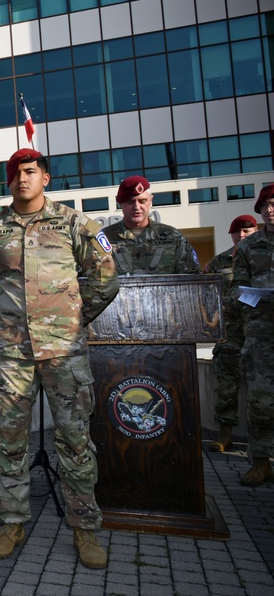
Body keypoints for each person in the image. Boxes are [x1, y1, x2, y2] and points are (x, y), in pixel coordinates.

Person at [0, 148, 118, 570]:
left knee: (74, 440)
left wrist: (73, 318)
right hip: (12, 353)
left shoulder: (75, 223)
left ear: (46, 178)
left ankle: (85, 528)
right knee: (10, 442)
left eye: (30, 171)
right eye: (14, 173)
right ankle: (12, 522)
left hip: (64, 352)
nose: (21, 178)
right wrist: (1, 312)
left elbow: (107, 276)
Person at [205, 214, 259, 452]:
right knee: (226, 386)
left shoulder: (265, 257)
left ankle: (261, 444)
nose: (242, 235)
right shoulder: (219, 262)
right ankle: (225, 434)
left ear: (256, 231)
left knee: (263, 388)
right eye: (238, 232)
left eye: (247, 231)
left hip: (261, 331)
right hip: (231, 334)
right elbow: (205, 292)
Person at [232, 184, 274, 486]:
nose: (271, 209)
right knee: (261, 402)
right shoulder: (249, 246)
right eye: (266, 205)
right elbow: (237, 289)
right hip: (261, 335)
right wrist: (254, 297)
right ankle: (260, 461)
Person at [102, 175, 201, 275]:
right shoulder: (103, 239)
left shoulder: (173, 237)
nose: (137, 207)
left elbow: (192, 279)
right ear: (120, 204)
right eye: (130, 202)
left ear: (151, 200)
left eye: (142, 201)